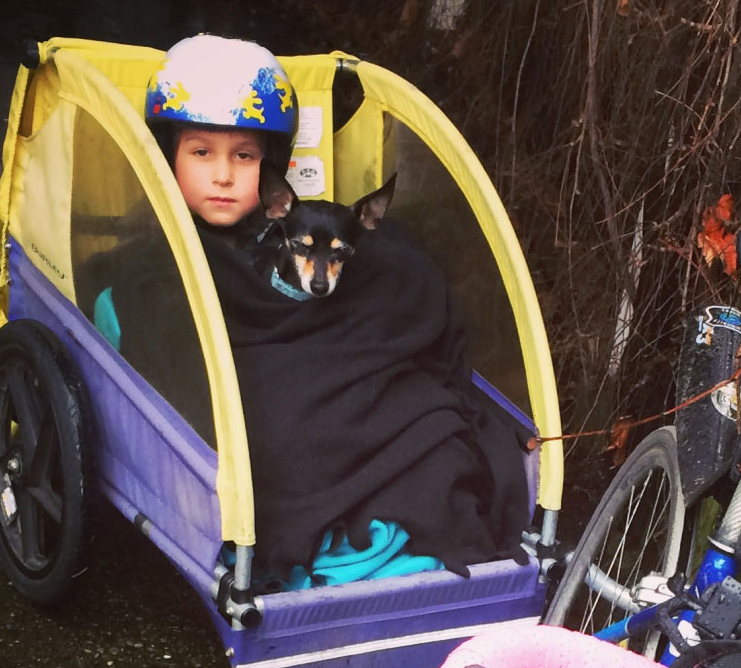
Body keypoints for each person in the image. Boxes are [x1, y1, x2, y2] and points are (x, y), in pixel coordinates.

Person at [99, 34, 531, 590]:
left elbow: (389, 301)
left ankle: (392, 530)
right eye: (201, 152)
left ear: (272, 168)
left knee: (432, 419)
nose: (224, 175)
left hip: (348, 383)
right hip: (269, 404)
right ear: (169, 157)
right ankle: (343, 536)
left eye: (245, 156)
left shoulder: (305, 229)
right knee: (279, 431)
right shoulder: (151, 263)